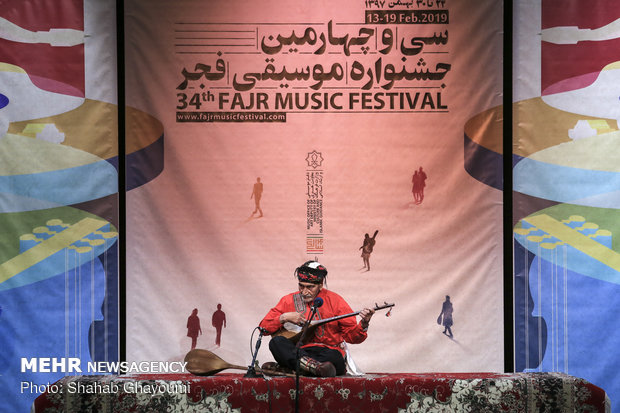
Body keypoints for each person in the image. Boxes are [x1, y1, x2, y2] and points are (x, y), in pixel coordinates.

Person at [259, 261, 374, 377]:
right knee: (276, 342)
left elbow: (353, 338)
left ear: (320, 285)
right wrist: (284, 317)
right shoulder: (288, 300)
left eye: (310, 287)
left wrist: (364, 324)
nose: (304, 292)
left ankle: (294, 368)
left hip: (327, 353)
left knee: (336, 359)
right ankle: (314, 368)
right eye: (301, 286)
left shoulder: (336, 301)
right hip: (301, 351)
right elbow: (263, 328)